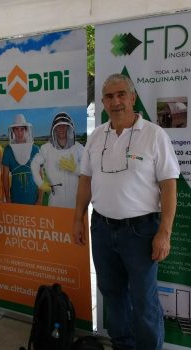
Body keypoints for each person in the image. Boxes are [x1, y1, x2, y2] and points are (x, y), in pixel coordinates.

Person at [73, 74, 180, 350]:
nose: (116, 101)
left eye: (121, 95)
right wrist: (78, 219)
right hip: (102, 228)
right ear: (102, 102)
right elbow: (85, 181)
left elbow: (169, 187)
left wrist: (164, 233)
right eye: (109, 96)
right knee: (113, 295)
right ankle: (123, 346)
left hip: (141, 232)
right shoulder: (97, 137)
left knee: (144, 300)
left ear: (133, 98)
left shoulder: (154, 135)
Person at [31, 112, 84, 208]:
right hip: (55, 201)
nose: (62, 129)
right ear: (54, 129)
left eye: (64, 126)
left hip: (74, 202)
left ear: (69, 128)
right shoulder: (46, 148)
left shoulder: (79, 148)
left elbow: (88, 171)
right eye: (59, 126)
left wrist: (76, 169)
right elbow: (34, 164)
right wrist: (40, 183)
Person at [2, 114, 41, 204]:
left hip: (33, 197)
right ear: (13, 131)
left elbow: (39, 175)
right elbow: (5, 177)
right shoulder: (8, 150)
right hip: (15, 198)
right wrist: (8, 198)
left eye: (22, 129)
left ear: (26, 130)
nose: (19, 133)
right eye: (17, 129)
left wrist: (40, 198)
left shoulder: (35, 149)